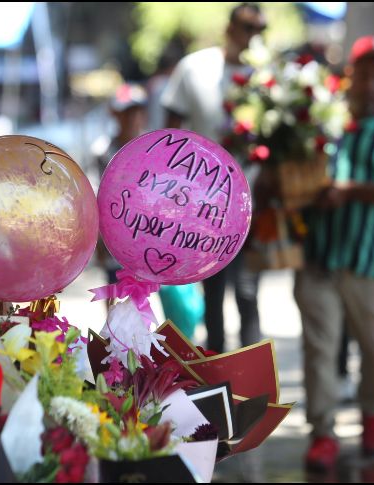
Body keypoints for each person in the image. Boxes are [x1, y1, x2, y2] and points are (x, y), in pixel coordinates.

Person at [295, 36, 374, 472]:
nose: (371, 84)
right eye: (364, 74)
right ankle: (323, 434)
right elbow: (288, 174)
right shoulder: (320, 123)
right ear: (350, 76)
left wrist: (349, 192)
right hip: (317, 260)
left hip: (369, 264)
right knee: (320, 350)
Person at [161, 3, 266, 353]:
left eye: (258, 28)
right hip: (206, 202)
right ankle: (216, 364)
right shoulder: (196, 68)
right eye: (245, 26)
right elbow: (169, 130)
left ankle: (252, 374)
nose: (250, 35)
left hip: (257, 195)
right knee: (214, 286)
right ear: (230, 27)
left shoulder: (267, 75)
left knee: (249, 289)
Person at [93, 83, 148, 288]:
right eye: (126, 113)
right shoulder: (103, 151)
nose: (132, 119)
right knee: (115, 295)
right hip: (115, 239)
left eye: (137, 112)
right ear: (115, 115)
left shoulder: (153, 149)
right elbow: (97, 196)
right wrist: (99, 239)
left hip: (148, 240)